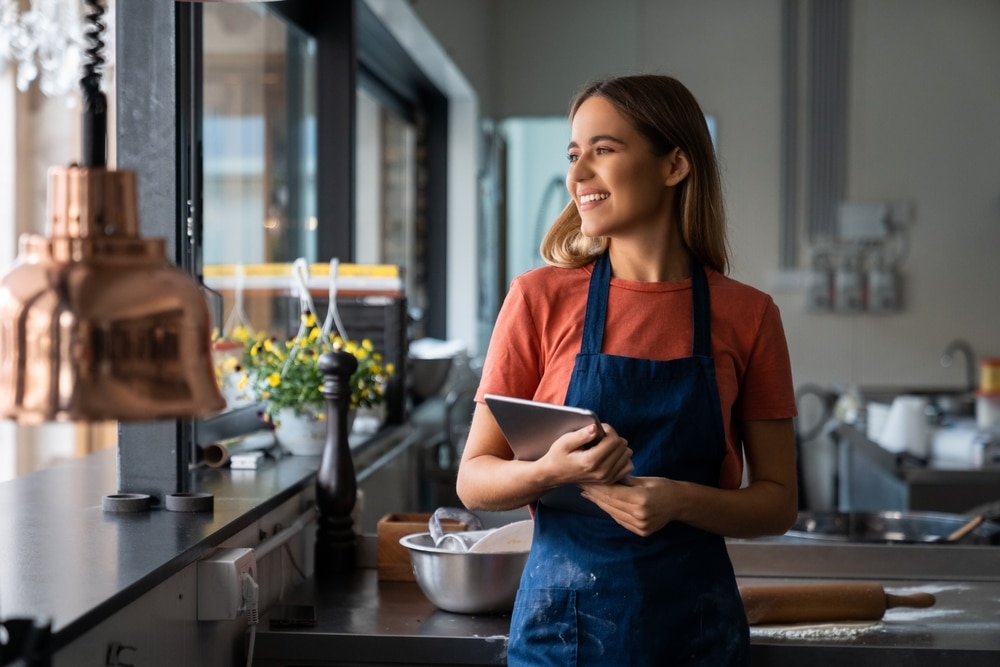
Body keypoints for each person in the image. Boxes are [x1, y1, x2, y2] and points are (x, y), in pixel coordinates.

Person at [455, 74, 799, 666]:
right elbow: (474, 479)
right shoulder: (539, 299)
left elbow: (777, 502)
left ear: (674, 166)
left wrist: (678, 500)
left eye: (603, 150)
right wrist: (548, 473)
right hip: (561, 638)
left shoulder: (749, 315)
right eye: (574, 154)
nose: (578, 174)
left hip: (695, 634)